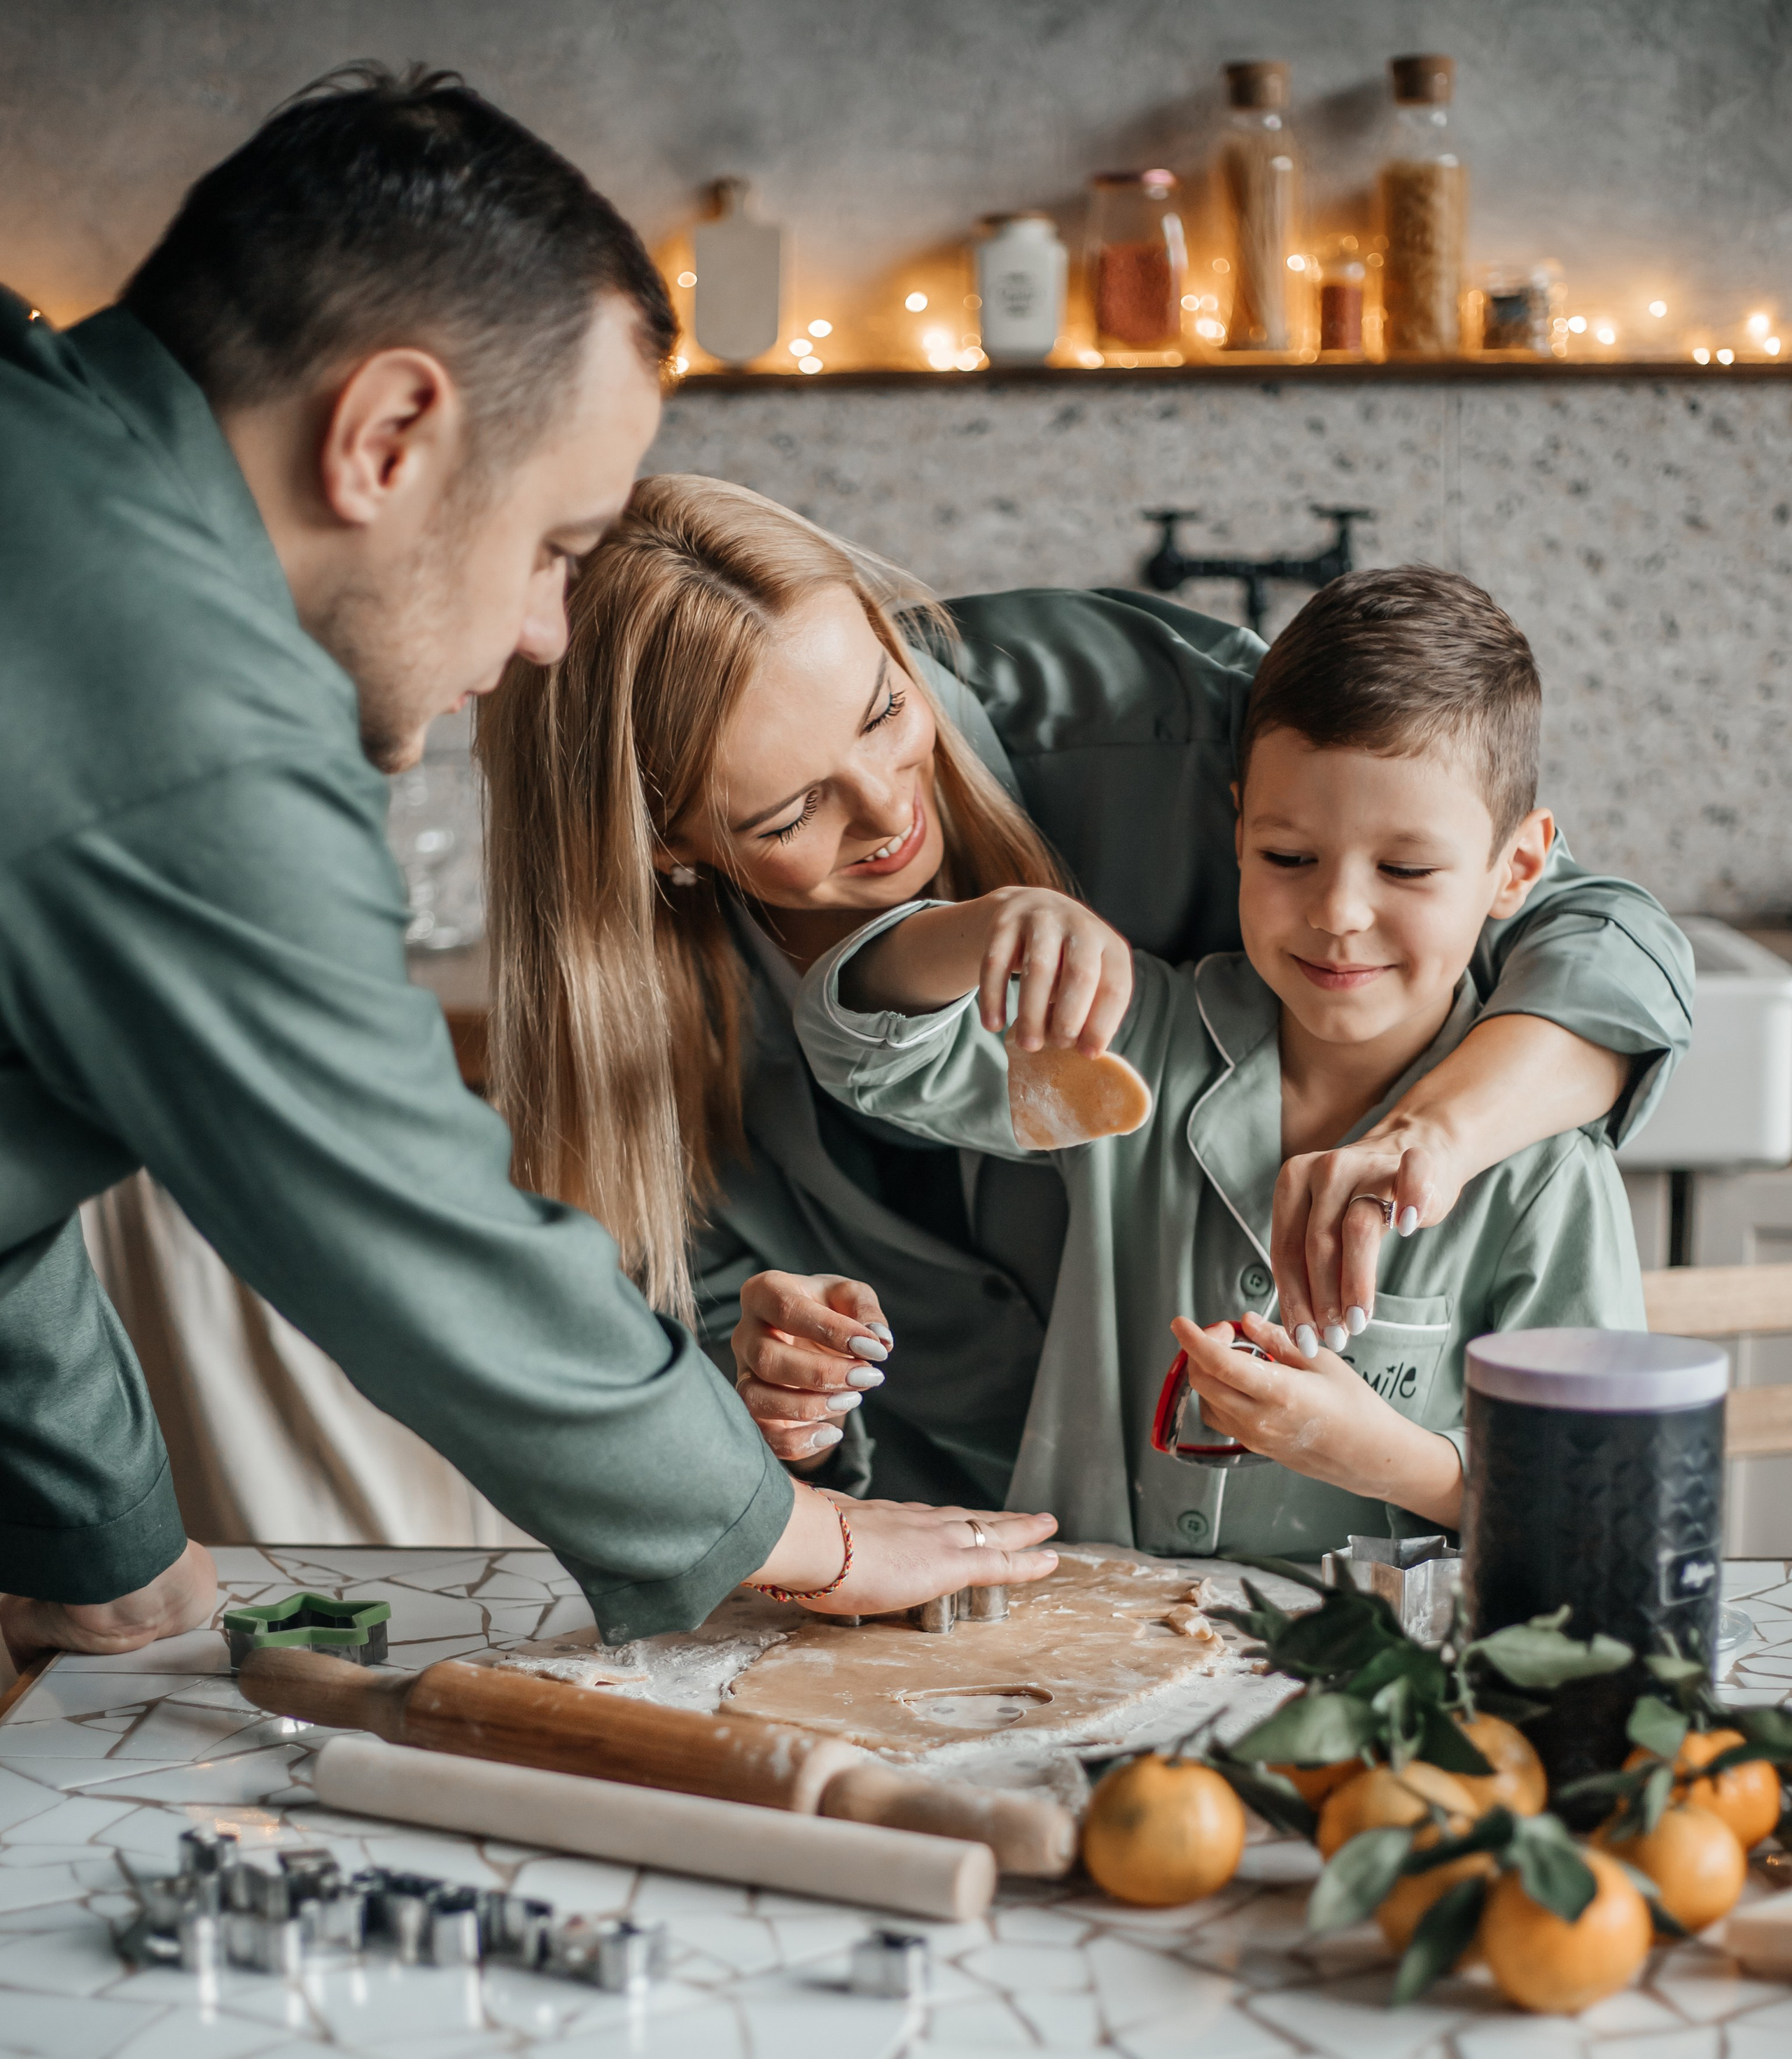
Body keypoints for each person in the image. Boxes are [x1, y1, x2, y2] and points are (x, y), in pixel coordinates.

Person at [0, 65, 1057, 1663]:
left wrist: (105, 1546)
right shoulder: (173, 687)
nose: (547, 632)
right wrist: (798, 1534)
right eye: (555, 547)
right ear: (387, 436)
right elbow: (400, 1216)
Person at [477, 479, 1690, 1513]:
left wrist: (1439, 1136)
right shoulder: (625, 1020)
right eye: (790, 812)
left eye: (886, 708)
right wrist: (777, 1402)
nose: (893, 808)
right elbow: (846, 1076)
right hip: (930, 1545)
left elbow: (1596, 935)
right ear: (665, 846)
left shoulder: (1165, 729)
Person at [793, 565, 1648, 1554]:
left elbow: (1599, 1510)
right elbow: (868, 1057)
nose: (1339, 913)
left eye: (1406, 868)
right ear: (1237, 831)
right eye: (1289, 857)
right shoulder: (1134, 1038)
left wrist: (1382, 1456)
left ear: (1519, 868)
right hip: (1091, 1631)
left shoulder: (1545, 1171)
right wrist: (977, 929)